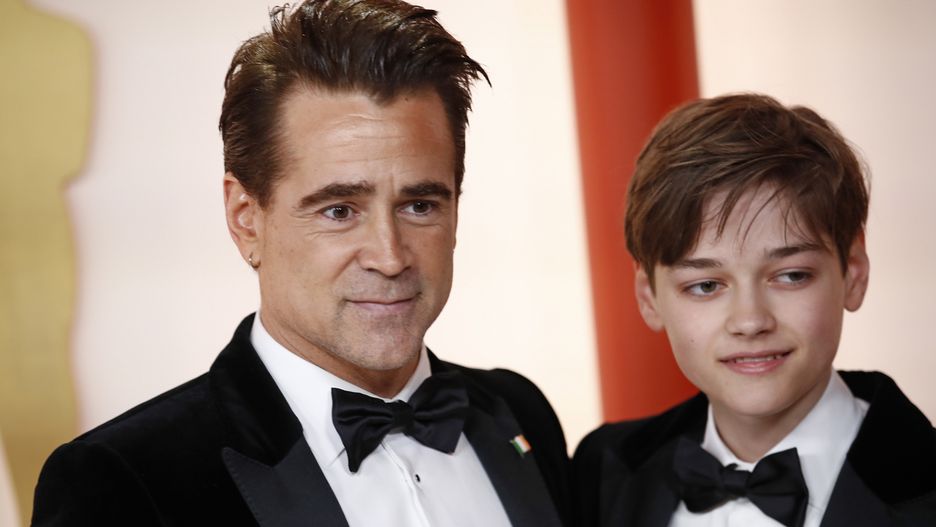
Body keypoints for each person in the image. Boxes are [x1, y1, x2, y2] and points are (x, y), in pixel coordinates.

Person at [32, 1, 570, 525]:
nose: (389, 257)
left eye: (419, 205)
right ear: (246, 219)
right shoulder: (121, 483)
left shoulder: (518, 411)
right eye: (339, 210)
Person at [573, 93, 936, 526]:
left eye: (791, 276)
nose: (750, 321)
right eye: (706, 286)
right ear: (649, 297)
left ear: (853, 273)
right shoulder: (602, 474)